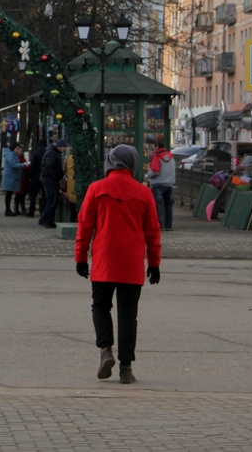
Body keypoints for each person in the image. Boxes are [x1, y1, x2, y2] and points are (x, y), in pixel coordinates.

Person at [74, 144, 162, 383]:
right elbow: (153, 231)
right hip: (131, 263)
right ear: (132, 163)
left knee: (100, 306)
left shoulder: (96, 188)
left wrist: (80, 257)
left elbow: (84, 227)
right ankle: (126, 367)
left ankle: (105, 350)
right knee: (128, 314)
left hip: (104, 260)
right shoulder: (144, 193)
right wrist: (154, 263)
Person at [38, 139, 68, 228]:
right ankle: (46, 219)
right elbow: (49, 167)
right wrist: (57, 176)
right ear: (61, 147)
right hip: (50, 179)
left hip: (49, 179)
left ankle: (48, 220)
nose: (64, 150)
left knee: (52, 199)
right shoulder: (52, 153)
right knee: (52, 199)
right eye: (64, 147)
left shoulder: (52, 152)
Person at [147, 140, 176, 231]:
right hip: (169, 184)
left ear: (157, 146)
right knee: (168, 205)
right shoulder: (171, 156)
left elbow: (155, 171)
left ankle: (159, 225)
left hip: (158, 184)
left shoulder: (157, 157)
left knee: (157, 205)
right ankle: (168, 225)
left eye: (154, 146)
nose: (153, 149)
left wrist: (148, 175)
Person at [0, 144, 24, 217]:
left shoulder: (12, 155)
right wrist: (24, 164)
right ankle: (7, 210)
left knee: (9, 193)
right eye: (17, 149)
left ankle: (8, 209)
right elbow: (13, 165)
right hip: (10, 177)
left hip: (11, 177)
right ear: (13, 149)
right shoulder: (10, 156)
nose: (18, 150)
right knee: (9, 193)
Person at [27, 142, 45, 217]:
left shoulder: (36, 153)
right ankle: (43, 211)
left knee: (33, 195)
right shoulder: (47, 153)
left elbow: (32, 167)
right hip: (44, 177)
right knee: (44, 195)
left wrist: (30, 176)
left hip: (35, 177)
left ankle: (31, 211)